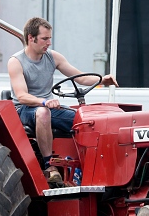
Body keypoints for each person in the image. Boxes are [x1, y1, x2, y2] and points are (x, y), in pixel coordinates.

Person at [8, 17, 117, 185]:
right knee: (43, 113)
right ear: (31, 38)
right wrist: (44, 102)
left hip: (48, 107)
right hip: (24, 109)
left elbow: (81, 78)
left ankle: (93, 168)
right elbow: (22, 96)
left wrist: (103, 80)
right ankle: (49, 166)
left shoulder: (52, 57)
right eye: (45, 38)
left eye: (50, 38)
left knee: (86, 121)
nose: (49, 42)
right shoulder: (16, 62)